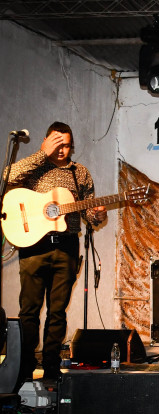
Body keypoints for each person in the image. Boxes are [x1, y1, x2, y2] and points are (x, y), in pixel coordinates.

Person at [5, 122, 107, 383]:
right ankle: (24, 364)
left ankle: (50, 366)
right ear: (45, 141)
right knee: (29, 310)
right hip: (33, 247)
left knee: (57, 311)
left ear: (72, 146)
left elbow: (89, 215)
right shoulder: (34, 167)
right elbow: (8, 175)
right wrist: (42, 153)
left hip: (66, 246)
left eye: (66, 144)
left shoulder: (79, 173)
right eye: (56, 143)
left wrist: (96, 215)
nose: (61, 149)